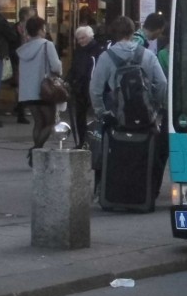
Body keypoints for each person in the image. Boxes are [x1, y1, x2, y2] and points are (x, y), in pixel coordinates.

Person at [91, 16, 169, 198]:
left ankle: (110, 190)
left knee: (111, 151)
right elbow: (163, 83)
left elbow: (95, 89)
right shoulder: (147, 55)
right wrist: (155, 106)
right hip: (146, 116)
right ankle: (144, 191)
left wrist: (102, 112)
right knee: (148, 152)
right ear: (132, 31)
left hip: (118, 116)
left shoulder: (106, 57)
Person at [16, 17, 63, 166]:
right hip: (45, 89)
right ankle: (36, 150)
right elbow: (56, 66)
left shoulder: (23, 49)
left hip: (28, 91)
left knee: (38, 122)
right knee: (50, 122)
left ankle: (36, 153)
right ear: (41, 29)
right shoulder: (46, 45)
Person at [67, 25, 104, 148]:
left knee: (95, 115)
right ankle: (82, 141)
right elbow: (74, 68)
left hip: (92, 86)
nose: (80, 41)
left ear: (90, 36)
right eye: (78, 39)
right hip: (80, 88)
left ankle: (95, 142)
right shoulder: (79, 50)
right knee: (80, 117)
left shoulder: (98, 50)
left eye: (82, 38)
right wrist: (68, 80)